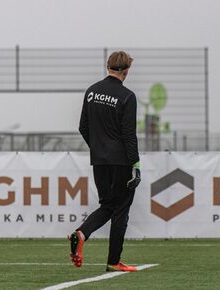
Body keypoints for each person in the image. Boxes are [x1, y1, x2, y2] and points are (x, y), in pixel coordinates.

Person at [69, 51, 141, 272]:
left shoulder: (91, 92)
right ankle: (113, 261)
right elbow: (129, 135)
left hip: (99, 160)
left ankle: (81, 233)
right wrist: (135, 165)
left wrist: (99, 148)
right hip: (121, 161)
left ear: (108, 67)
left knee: (107, 205)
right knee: (120, 210)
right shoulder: (127, 96)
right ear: (126, 70)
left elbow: (83, 127)